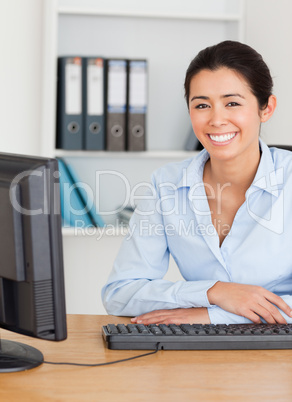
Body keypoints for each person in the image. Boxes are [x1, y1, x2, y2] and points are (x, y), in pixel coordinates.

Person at [102, 40, 292, 326]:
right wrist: (214, 292)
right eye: (202, 105)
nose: (216, 120)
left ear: (266, 108)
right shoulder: (166, 184)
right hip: (198, 354)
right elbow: (120, 293)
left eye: (232, 103)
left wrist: (211, 314)